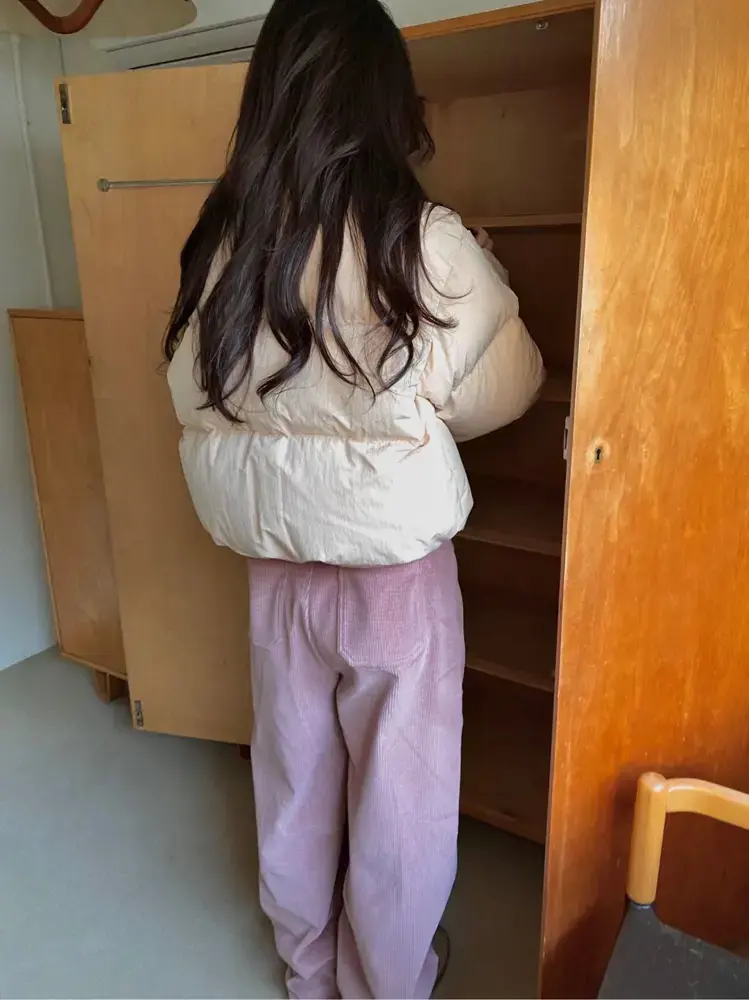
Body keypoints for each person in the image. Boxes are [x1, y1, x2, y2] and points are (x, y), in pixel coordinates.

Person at [165, 0, 544, 996]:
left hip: (276, 565)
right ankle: (386, 981)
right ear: (385, 102)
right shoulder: (422, 240)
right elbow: (507, 391)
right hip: (393, 576)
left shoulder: (223, 244)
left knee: (292, 776)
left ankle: (306, 969)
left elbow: (195, 395)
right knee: (400, 793)